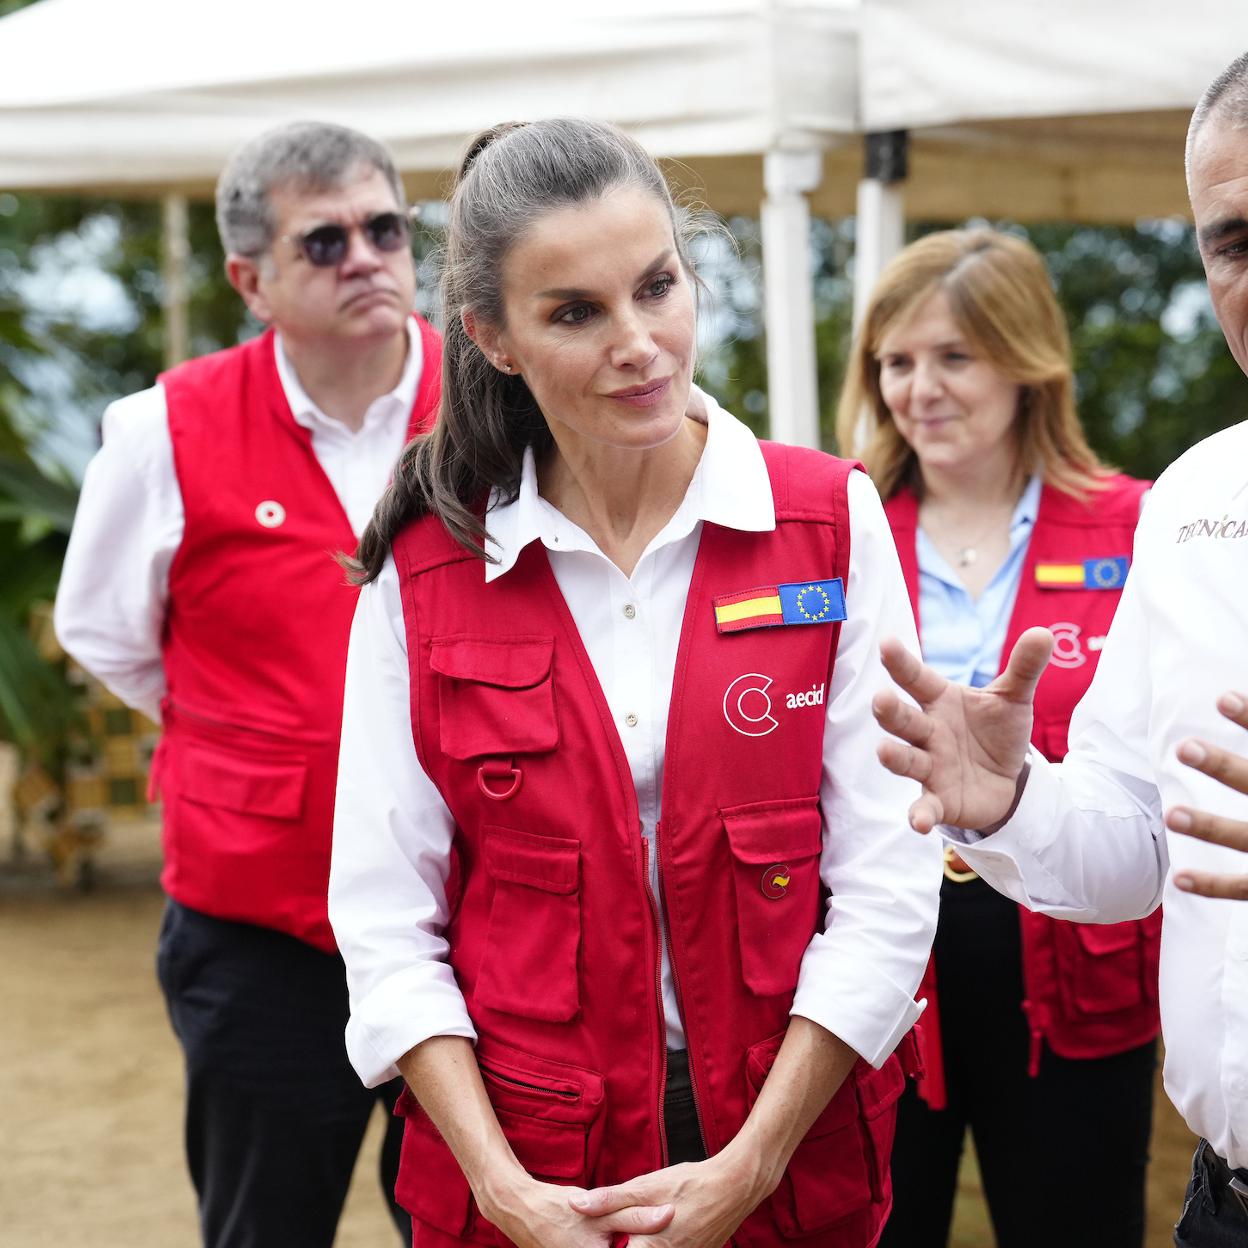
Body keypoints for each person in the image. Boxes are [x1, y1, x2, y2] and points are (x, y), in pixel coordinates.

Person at [328, 117, 942, 1248]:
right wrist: (506, 1194)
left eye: (658, 286)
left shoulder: (827, 521)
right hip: (525, 1166)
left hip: (787, 1152)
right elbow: (383, 921)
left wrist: (747, 1168)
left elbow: (889, 888)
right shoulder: (421, 569)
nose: (641, 343)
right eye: (576, 312)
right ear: (492, 338)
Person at [870, 51, 1248, 1248]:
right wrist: (1015, 804)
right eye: (1233, 240)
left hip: (1073, 1024)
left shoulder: (1121, 512)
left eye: (957, 357)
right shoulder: (1195, 507)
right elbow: (1135, 839)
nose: (922, 391)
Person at [54, 121, 441, 1247]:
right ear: (251, 280)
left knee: (479, 1222)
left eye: (385, 228)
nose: (365, 257)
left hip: (472, 909)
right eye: (324, 241)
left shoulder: (498, 402)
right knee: (264, 1222)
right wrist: (266, 740)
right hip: (262, 928)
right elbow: (108, 633)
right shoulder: (160, 431)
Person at [836, 227, 1160, 1247]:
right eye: (896, 361)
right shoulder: (834, 529)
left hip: (1078, 958)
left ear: (1027, 361)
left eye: (953, 356)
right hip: (883, 950)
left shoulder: (1139, 528)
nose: (918, 388)